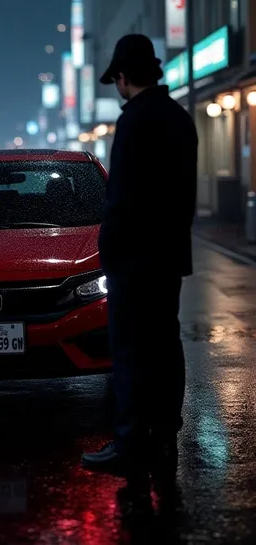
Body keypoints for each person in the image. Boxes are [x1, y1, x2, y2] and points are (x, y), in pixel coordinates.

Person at [81, 34, 198, 475]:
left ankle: (131, 441)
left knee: (129, 350)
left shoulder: (133, 122)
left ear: (123, 78)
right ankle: (165, 436)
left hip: (133, 259)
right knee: (166, 344)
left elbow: (122, 199)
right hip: (168, 255)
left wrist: (108, 250)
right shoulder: (179, 119)